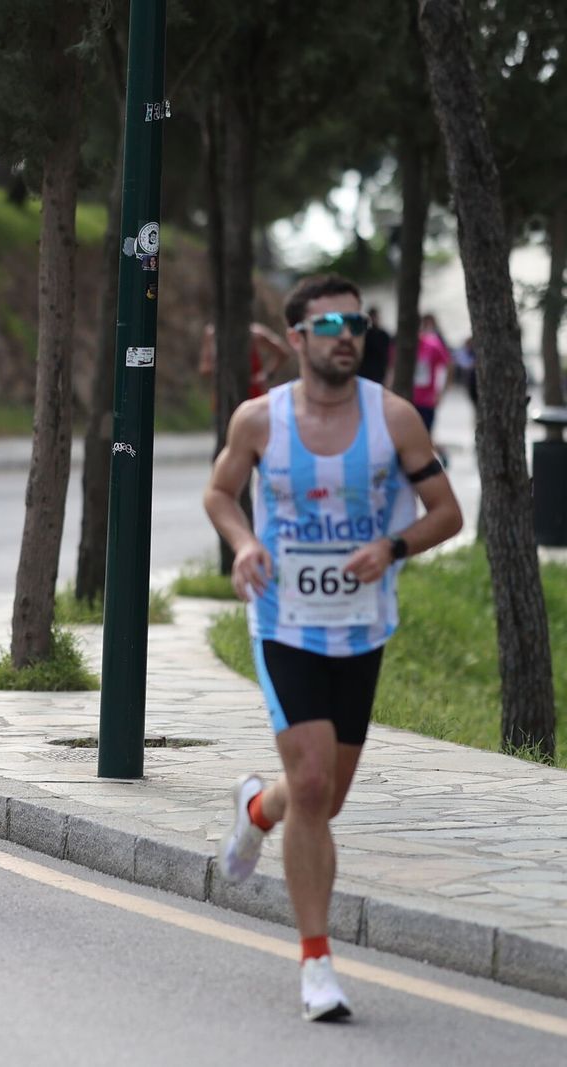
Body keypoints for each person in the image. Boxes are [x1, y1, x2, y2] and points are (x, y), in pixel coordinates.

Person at [203, 274, 462, 1022]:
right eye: (330, 324)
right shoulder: (260, 420)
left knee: (322, 797)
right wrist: (245, 542)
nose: (346, 333)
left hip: (362, 626)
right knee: (313, 782)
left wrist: (393, 544)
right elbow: (219, 493)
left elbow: (446, 512)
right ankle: (318, 967)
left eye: (354, 322)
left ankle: (257, 807)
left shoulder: (395, 420)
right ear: (297, 339)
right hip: (284, 623)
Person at [199, 321, 296, 399]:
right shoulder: (213, 334)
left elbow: (283, 352)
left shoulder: (255, 334)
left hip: (252, 393)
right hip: (225, 396)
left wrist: (266, 374)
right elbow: (204, 368)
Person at [412, 313, 453, 431]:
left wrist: (442, 391)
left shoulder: (434, 344)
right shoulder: (402, 346)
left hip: (427, 400)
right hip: (408, 398)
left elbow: (447, 365)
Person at [358, 306, 392, 384]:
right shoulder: (366, 334)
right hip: (366, 371)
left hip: (378, 372)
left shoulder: (383, 335)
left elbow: (386, 356)